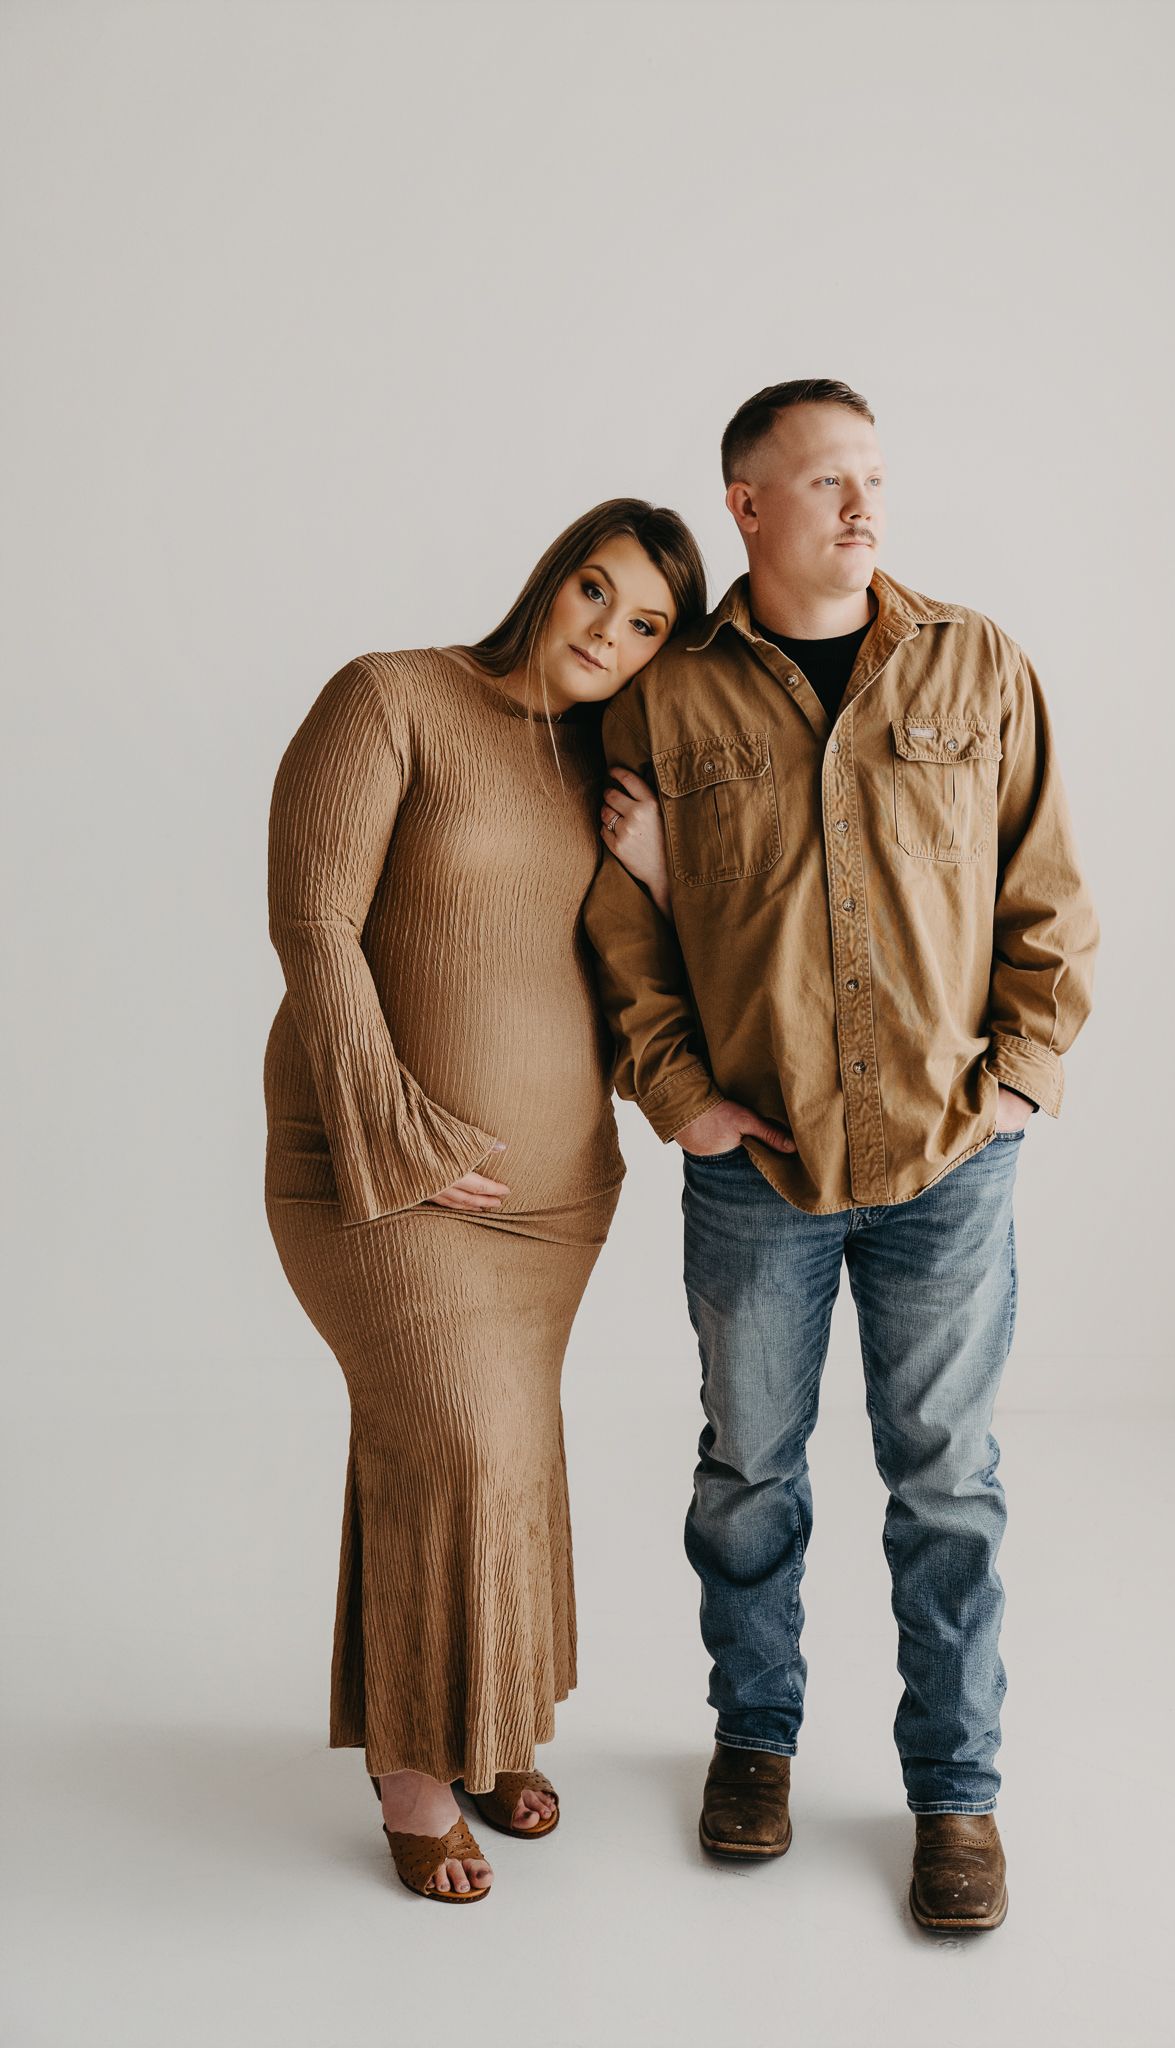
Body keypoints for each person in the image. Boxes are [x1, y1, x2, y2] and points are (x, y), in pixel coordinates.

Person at [585, 380, 1100, 1931]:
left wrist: (1018, 1082)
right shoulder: (665, 699)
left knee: (946, 1484)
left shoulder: (975, 662)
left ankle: (955, 1796)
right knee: (747, 1473)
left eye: (872, 474)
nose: (862, 504)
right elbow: (624, 935)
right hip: (756, 1168)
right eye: (824, 481)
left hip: (949, 1163)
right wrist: (679, 1096)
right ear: (745, 505)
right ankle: (753, 1742)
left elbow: (1047, 896)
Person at [264, 499, 706, 1902]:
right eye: (597, 590)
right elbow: (312, 921)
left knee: (504, 1450)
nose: (609, 633)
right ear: (553, 574)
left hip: (552, 1200)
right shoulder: (392, 696)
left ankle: (489, 1724)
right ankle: (412, 1768)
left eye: (648, 625)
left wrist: (659, 870)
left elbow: (644, 966)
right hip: (373, 1173)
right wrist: (393, 1131)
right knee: (454, 1437)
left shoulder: (609, 769)